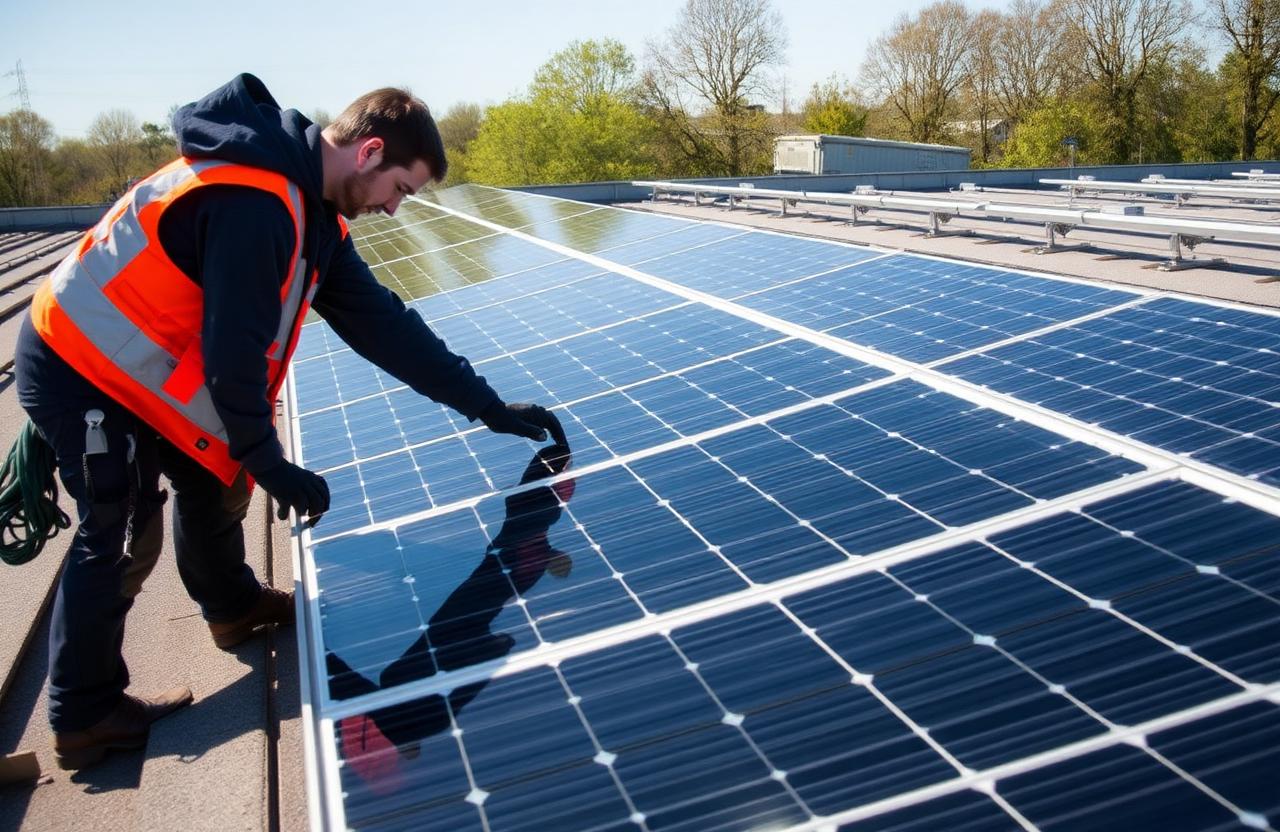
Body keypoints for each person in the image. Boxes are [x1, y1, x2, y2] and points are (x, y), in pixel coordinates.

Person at [15, 73, 565, 771]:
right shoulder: (256, 202)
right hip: (80, 361)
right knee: (122, 528)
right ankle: (84, 713)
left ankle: (231, 606)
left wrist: (485, 405)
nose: (396, 210)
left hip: (143, 364)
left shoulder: (313, 216)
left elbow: (385, 328)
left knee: (218, 471)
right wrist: (269, 458)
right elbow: (233, 350)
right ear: (368, 153)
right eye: (401, 189)